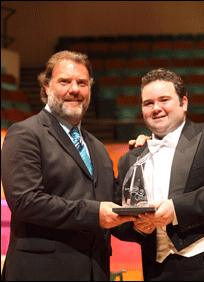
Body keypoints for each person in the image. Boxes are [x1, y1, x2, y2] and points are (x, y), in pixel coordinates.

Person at [1, 50, 136, 281]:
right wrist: (94, 214)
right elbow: (26, 201)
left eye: (82, 83)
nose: (75, 89)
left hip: (95, 271)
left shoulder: (97, 147)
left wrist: (141, 222)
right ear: (46, 86)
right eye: (65, 81)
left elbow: (111, 205)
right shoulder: (25, 133)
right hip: (41, 272)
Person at [116, 68, 204, 281]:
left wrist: (175, 209)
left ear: (184, 103)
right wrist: (139, 229)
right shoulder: (131, 158)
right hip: (155, 269)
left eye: (164, 100)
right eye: (148, 103)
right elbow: (120, 218)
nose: (156, 108)